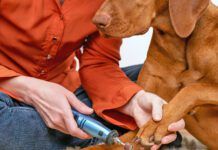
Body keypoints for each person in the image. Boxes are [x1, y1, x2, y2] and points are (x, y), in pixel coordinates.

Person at [0, 0, 185, 150]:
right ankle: (98, 135)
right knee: (7, 127)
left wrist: (133, 100)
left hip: (69, 99)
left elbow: (99, 62)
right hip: (4, 93)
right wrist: (27, 89)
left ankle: (80, 133)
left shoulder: (106, 4)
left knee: (163, 80)